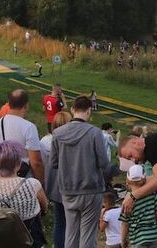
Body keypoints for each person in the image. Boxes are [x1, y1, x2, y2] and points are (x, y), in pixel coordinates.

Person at [51, 95, 110, 248]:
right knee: (88, 235)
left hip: (68, 190)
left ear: (72, 110)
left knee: (70, 233)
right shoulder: (94, 132)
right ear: (89, 111)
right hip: (91, 189)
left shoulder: (57, 134)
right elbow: (104, 162)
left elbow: (54, 163)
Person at [0, 141, 48, 247]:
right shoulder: (32, 184)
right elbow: (44, 207)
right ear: (19, 164)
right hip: (30, 241)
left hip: (0, 241)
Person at [0, 89, 45, 184]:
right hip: (23, 178)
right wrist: (41, 184)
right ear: (26, 105)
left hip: (2, 177)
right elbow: (36, 162)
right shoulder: (28, 127)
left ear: (9, 104)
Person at [41, 111, 72, 248]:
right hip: (71, 187)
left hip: (54, 187)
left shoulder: (46, 141)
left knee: (59, 221)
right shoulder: (73, 142)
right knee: (73, 222)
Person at [120, 165, 157, 248]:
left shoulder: (127, 202)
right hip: (152, 237)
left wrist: (123, 240)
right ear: (145, 179)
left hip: (137, 240)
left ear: (127, 181)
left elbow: (125, 223)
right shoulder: (152, 195)